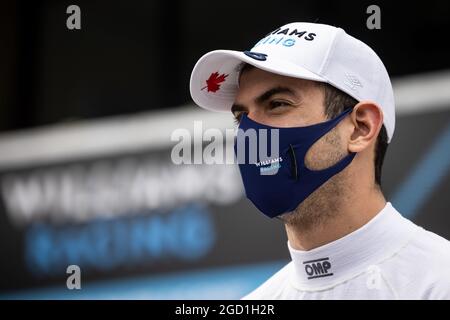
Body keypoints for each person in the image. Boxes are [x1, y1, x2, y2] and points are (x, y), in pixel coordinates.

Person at [189, 22, 450, 299]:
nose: (250, 134)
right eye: (241, 117)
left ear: (361, 128)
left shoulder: (438, 282)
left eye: (277, 104)